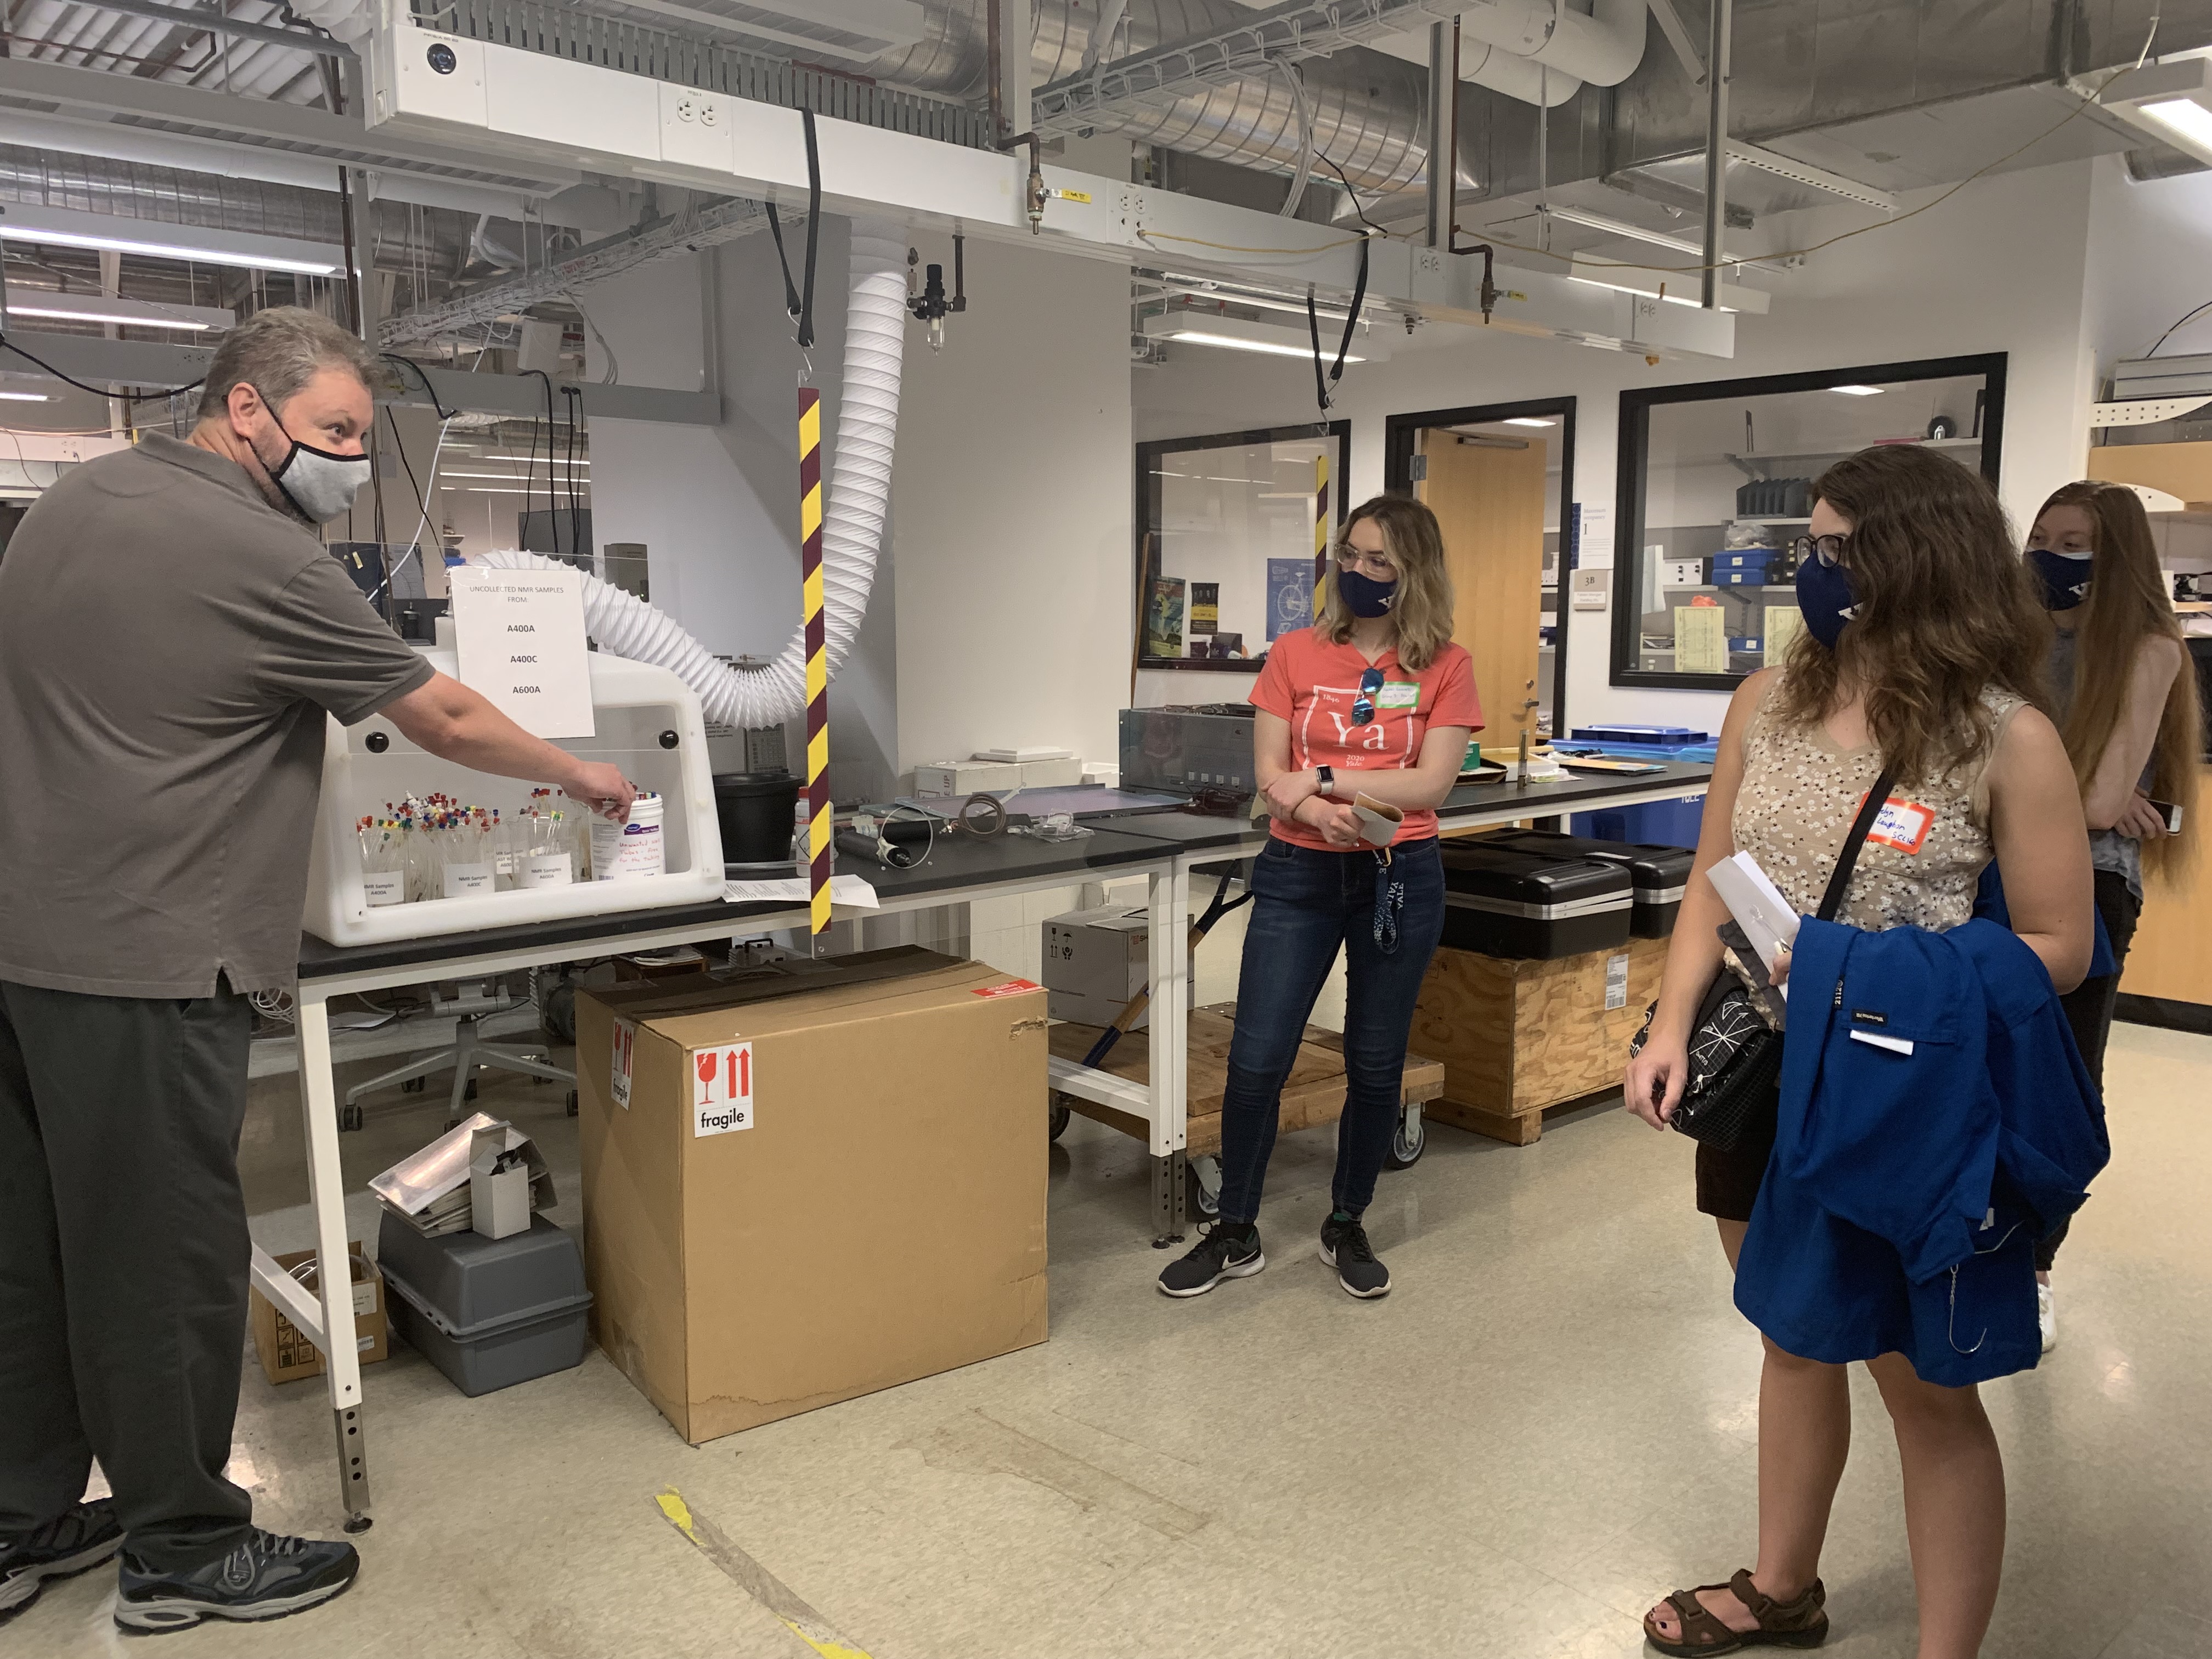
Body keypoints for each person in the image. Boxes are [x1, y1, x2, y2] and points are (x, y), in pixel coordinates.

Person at [0, 307, 636, 1633]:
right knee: (163, 1262)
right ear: (247, 410)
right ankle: (181, 1549)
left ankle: (29, 1516)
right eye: (335, 433)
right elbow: (443, 716)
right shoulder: (264, 558)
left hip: (24, 948)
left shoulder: (72, 502)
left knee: (35, 1249)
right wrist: (583, 774)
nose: (351, 460)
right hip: (154, 955)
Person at [1623, 446, 2092, 1657]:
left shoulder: (2006, 740)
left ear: (1912, 563)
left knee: (1923, 1387)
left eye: (1834, 549)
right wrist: (1669, 1027)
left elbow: (2060, 946)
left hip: (1894, 1093)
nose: (1809, 572)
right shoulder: (1761, 708)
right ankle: (1784, 1588)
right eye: (1810, 548)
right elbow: (1710, 890)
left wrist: (1862, 969)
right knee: (1790, 1333)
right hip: (1760, 1082)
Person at [1157, 495, 1480, 1301]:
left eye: (1382, 563)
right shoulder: (1295, 654)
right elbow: (1269, 775)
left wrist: (1328, 777)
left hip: (1399, 878)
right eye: (1352, 554)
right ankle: (1234, 1230)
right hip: (1299, 871)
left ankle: (1347, 1221)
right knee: (1257, 1056)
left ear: (1415, 575)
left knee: (1375, 1061)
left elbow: (1432, 784)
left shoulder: (1447, 665)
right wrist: (1312, 809)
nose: (1361, 573)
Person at [2021, 480, 2200, 1348]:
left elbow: (2097, 809)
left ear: (2119, 555)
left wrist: (2078, 795)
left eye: (2077, 543)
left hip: (2089, 883)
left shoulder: (2149, 647)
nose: (2052, 556)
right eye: (2043, 537)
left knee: (2062, 1071)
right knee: (1976, 1060)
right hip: (1991, 872)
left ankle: (2037, 1267)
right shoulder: (2010, 640)